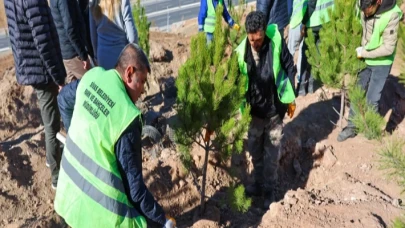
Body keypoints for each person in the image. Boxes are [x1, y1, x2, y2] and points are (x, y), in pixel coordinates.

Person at [54, 44, 176, 228]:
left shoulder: (92, 78)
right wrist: (162, 219)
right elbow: (135, 191)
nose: (143, 90)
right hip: (102, 216)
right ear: (129, 73)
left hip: (68, 194)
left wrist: (75, 135)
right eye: (141, 81)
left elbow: (63, 99)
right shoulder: (126, 116)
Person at [235, 11, 296, 209]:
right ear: (247, 35)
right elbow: (234, 83)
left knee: (271, 154)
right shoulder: (240, 52)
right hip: (253, 112)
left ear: (264, 33)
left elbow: (289, 66)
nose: (255, 43)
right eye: (252, 40)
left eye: (259, 39)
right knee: (255, 151)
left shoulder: (276, 41)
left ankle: (270, 189)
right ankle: (258, 184)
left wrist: (291, 96)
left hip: (274, 111)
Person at [4, 0, 66, 190]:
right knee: (52, 124)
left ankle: (51, 157)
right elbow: (43, 42)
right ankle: (57, 177)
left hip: (30, 66)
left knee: (50, 120)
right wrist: (58, 76)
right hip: (42, 69)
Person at [338, 0, 402, 142]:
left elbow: (388, 48)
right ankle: (352, 126)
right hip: (364, 58)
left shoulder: (391, 15)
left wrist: (364, 53)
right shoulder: (364, 5)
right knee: (357, 92)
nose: (365, 11)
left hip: (382, 62)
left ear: (378, 1)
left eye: (368, 8)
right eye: (363, 8)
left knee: (372, 98)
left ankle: (369, 128)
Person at [297, 0, 334, 96]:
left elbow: (311, 4)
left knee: (306, 56)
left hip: (312, 22)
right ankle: (312, 86)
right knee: (318, 55)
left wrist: (303, 22)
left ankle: (302, 88)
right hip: (326, 19)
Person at [49, 0, 91, 83]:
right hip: (74, 54)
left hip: (67, 53)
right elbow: (70, 29)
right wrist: (83, 56)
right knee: (91, 86)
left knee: (74, 92)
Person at [89, 0, 138, 70]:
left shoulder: (94, 2)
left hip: (102, 55)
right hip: (121, 54)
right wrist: (134, 52)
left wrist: (96, 56)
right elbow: (131, 34)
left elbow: (93, 34)